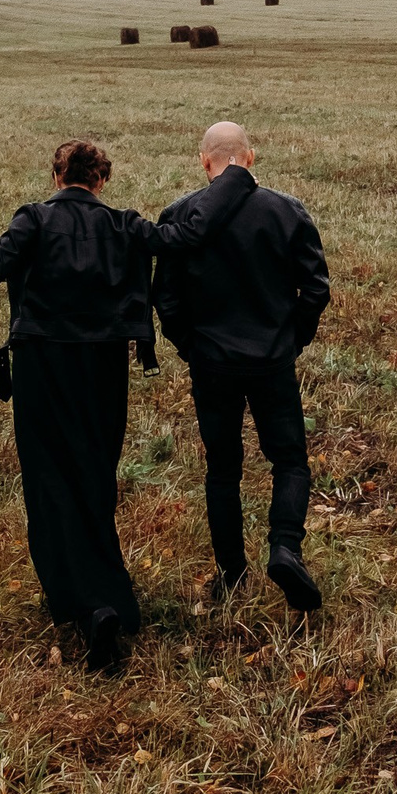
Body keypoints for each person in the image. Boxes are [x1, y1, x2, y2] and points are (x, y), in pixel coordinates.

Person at [0, 138, 255, 670]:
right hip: (104, 369)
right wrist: (235, 180)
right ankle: (103, 597)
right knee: (94, 477)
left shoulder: (33, 221)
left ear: (57, 176)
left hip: (43, 367)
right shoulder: (126, 225)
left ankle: (89, 607)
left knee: (49, 482)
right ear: (101, 180)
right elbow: (185, 236)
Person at [152, 121, 331, 611]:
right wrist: (291, 340)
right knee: (290, 459)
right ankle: (285, 548)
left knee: (222, 468)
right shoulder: (286, 211)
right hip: (271, 359)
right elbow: (316, 288)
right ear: (250, 157)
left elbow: (164, 296)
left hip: (211, 362)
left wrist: (189, 345)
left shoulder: (180, 214)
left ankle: (231, 574)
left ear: (203, 160)